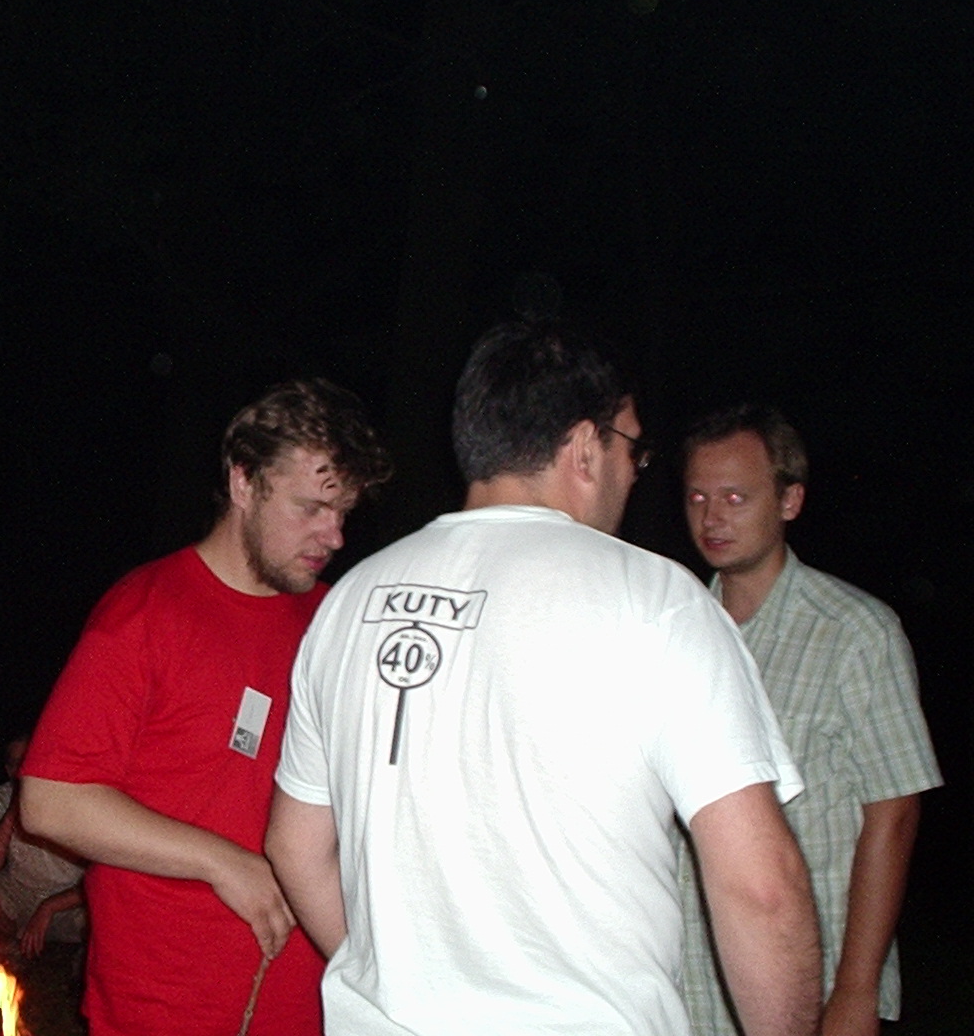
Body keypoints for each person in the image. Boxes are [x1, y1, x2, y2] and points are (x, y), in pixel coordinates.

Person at [267, 322, 822, 1036]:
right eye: (633, 450)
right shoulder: (656, 601)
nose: (634, 473)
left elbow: (296, 846)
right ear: (586, 447)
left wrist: (398, 988)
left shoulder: (350, 602)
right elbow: (761, 888)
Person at [20, 379, 392, 1036]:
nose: (334, 535)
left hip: (313, 1002)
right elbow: (52, 801)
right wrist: (223, 862)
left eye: (343, 512)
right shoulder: (144, 613)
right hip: (165, 1006)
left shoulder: (336, 620)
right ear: (244, 482)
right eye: (310, 508)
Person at [678, 406, 941, 1036]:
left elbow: (894, 814)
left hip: (807, 983)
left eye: (735, 497)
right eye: (697, 497)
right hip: (686, 982)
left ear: (789, 500)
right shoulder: (675, 626)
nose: (711, 518)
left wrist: (855, 990)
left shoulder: (856, 632)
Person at [0, 735, 86, 957]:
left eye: (30, 759)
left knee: (113, 907)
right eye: (17, 763)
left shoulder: (74, 798)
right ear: (9, 770)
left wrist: (50, 906)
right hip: (21, 893)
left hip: (71, 899)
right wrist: (14, 811)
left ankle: (83, 961)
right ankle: (10, 952)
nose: (25, 769)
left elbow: (103, 875)